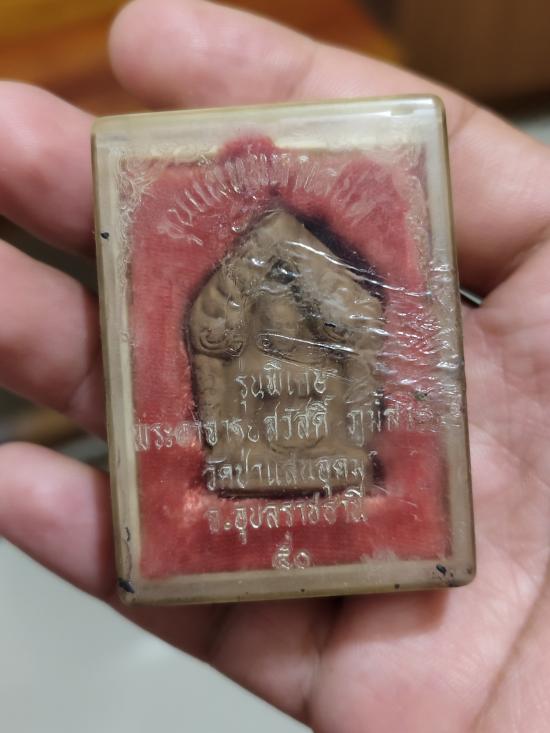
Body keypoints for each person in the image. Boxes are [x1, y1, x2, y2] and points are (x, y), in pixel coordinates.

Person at [0, 1, 549, 730]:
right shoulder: (233, 309)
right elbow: (217, 335)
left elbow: (357, 329)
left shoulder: (326, 299)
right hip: (254, 458)